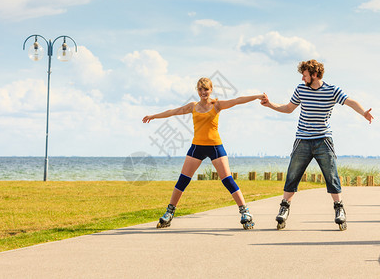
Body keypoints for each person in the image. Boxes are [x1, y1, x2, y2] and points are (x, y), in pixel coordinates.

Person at [260, 59, 374, 231]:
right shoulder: (300, 90)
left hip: (323, 140)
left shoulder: (331, 90)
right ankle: (284, 209)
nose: (302, 79)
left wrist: (364, 112)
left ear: (314, 75)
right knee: (293, 174)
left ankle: (339, 210)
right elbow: (288, 108)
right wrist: (270, 105)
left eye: (305, 75)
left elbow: (350, 102)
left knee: (331, 175)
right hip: (302, 139)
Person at [143, 77, 265, 230]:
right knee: (183, 180)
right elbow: (173, 111)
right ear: (197, 90)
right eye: (200, 89)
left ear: (211, 90)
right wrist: (153, 116)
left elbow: (237, 100)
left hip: (215, 147)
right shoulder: (192, 106)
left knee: (227, 179)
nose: (203, 92)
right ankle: (169, 213)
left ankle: (245, 212)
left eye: (206, 89)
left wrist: (257, 96)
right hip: (197, 147)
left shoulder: (217, 105)